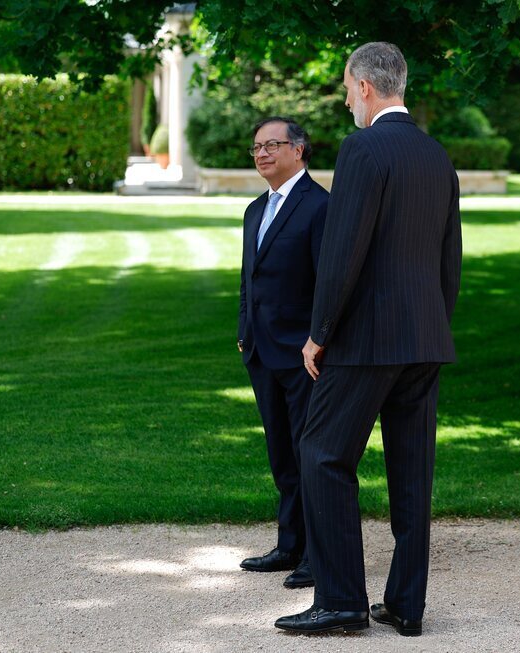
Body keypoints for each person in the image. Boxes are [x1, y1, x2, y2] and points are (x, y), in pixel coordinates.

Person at [274, 42, 462, 636]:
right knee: (412, 473)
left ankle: (341, 602)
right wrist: (435, 323)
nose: (346, 100)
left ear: (363, 86)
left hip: (365, 342)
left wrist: (318, 334)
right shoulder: (437, 155)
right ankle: (406, 605)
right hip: (424, 338)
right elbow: (449, 256)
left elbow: (342, 253)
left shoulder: (361, 149)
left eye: (345, 89)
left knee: (322, 455)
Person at [237, 117, 327, 591]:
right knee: (281, 457)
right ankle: (289, 544)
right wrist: (242, 331)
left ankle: (318, 556)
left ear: (299, 150)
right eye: (256, 148)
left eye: (272, 145)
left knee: (308, 454)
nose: (262, 154)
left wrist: (318, 339)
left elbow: (327, 285)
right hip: (260, 351)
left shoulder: (319, 207)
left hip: (303, 356)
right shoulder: (255, 209)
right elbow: (248, 278)